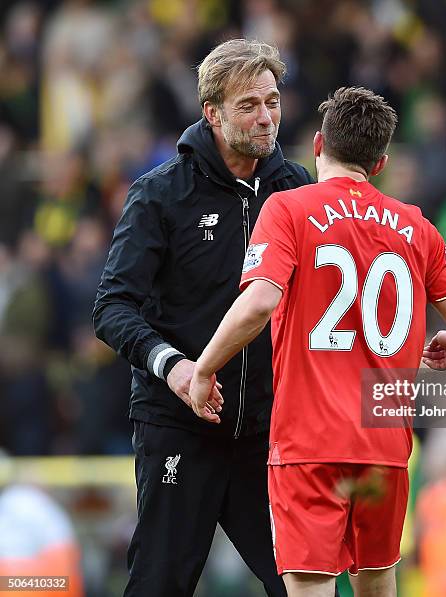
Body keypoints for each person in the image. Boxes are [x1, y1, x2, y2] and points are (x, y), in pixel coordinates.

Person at [188, 86, 446, 597]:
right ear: (381, 162)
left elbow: (259, 303)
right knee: (378, 578)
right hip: (384, 445)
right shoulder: (417, 227)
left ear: (318, 145)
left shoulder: (288, 210)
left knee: (311, 585)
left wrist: (206, 367)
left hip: (310, 442)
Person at [93, 39, 313, 597]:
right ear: (211, 114)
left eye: (272, 101)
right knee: (159, 583)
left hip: (266, 432)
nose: (266, 118)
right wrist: (174, 367)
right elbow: (112, 306)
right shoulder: (161, 194)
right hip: (179, 424)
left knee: (306, 583)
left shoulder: (299, 191)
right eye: (248, 106)